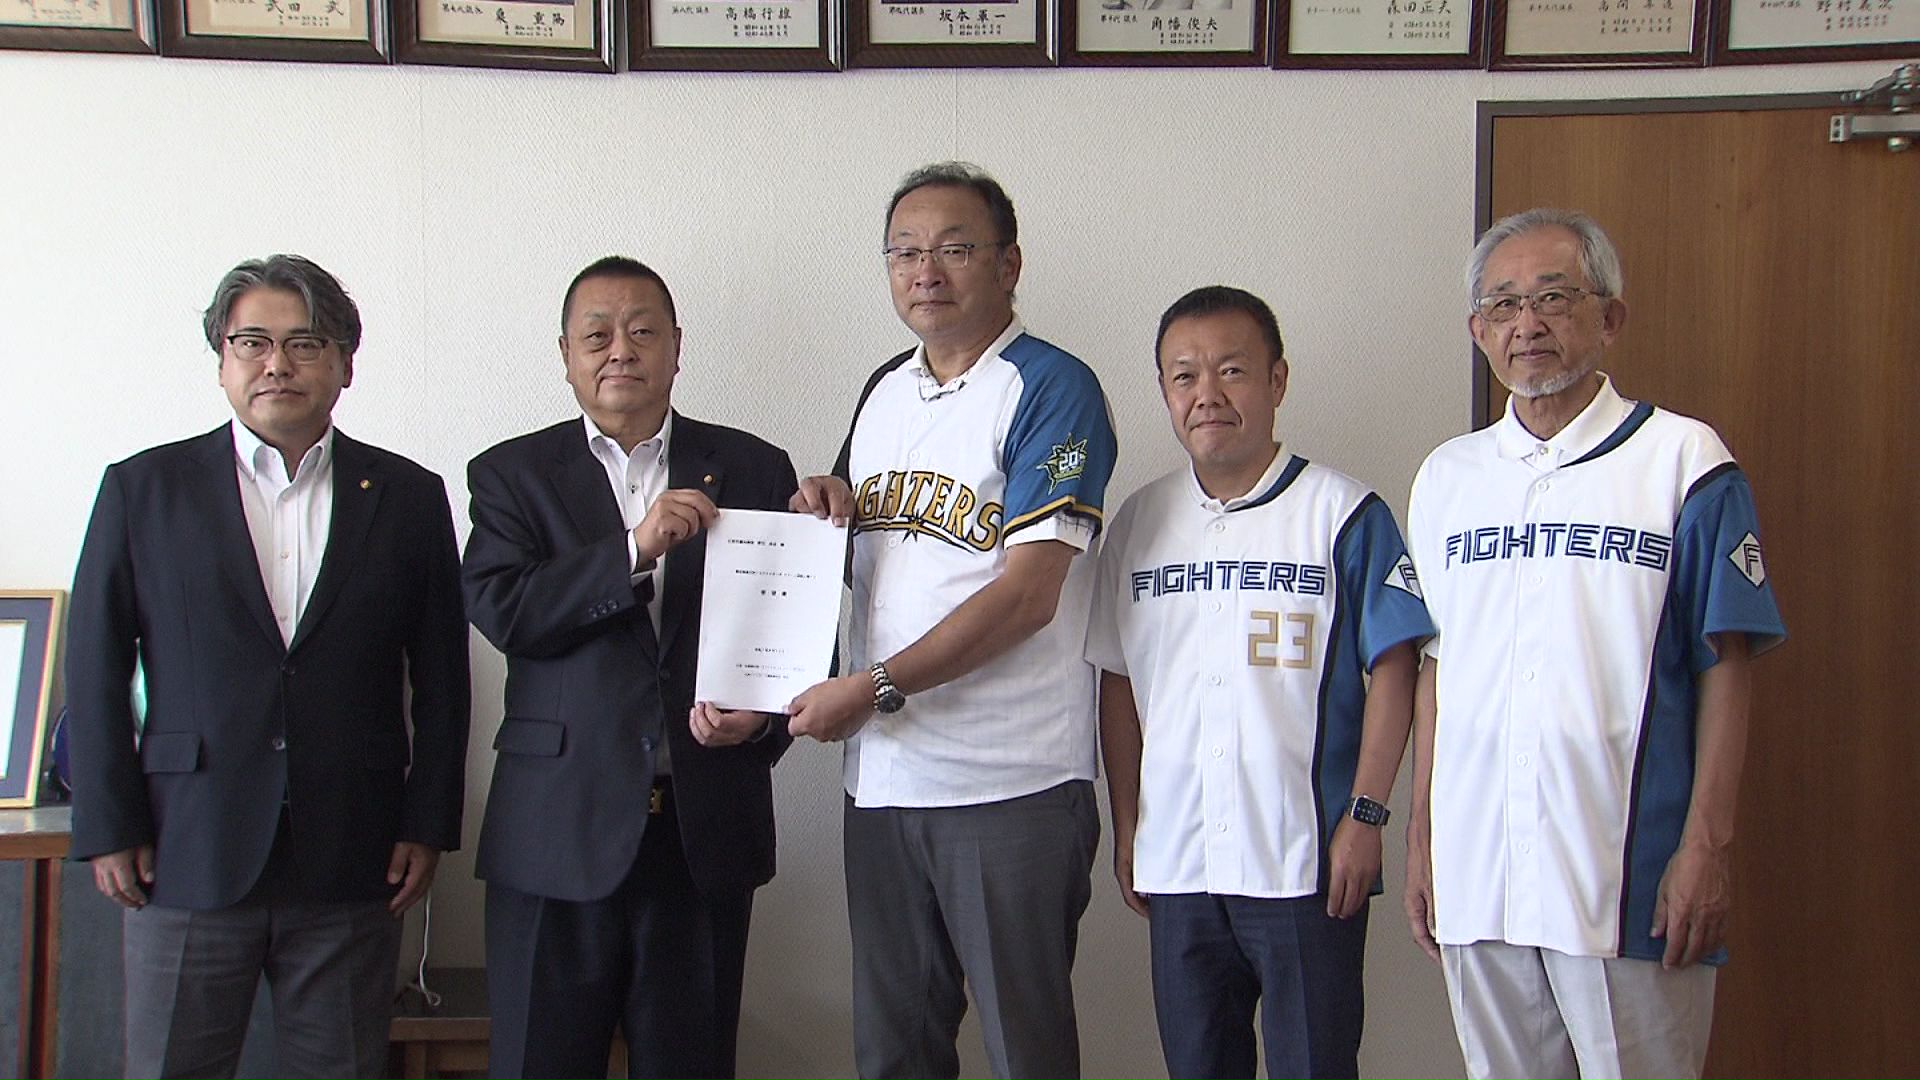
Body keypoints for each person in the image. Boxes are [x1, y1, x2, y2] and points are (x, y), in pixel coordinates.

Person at [1404, 208, 1788, 1080]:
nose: (1527, 325)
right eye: (1503, 305)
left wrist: (1707, 848)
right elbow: (1435, 668)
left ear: (1609, 318)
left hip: (1627, 876)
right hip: (1479, 873)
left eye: (1554, 298)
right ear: (1478, 331)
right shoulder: (1447, 478)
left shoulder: (1684, 461)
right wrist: (1422, 837)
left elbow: (1726, 662)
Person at [66, 254, 471, 1080]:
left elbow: (442, 677)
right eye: (252, 342)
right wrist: (109, 823)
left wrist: (427, 822)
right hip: (183, 846)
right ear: (221, 361)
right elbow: (95, 666)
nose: (277, 363)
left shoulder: (407, 496)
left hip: (354, 853)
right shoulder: (143, 490)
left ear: (345, 365)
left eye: (305, 343)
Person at [787, 161, 1118, 1080]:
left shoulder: (1052, 386)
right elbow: (861, 547)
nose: (924, 271)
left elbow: (1029, 593)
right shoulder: (884, 389)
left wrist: (873, 687)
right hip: (884, 782)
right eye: (904, 252)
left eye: (954, 249)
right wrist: (824, 502)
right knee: (894, 1051)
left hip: (1008, 782)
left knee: (1024, 1051)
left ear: (1009, 265)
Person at [462, 256, 798, 1080]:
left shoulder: (754, 466)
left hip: (701, 831)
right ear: (566, 355)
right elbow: (507, 612)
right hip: (554, 832)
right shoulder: (510, 474)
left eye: (643, 331)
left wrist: (766, 717)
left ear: (677, 347)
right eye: (598, 335)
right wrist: (633, 549)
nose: (622, 350)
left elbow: (794, 629)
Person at [1085, 285, 1429, 1080]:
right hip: (1178, 862)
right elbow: (1118, 684)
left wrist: (1366, 817)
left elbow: (1396, 666)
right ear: (1165, 393)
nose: (1207, 394)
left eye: (1232, 370)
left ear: (1277, 380)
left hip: (1306, 861)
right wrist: (1129, 826)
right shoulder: (1138, 522)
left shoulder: (1343, 513)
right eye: (1184, 376)